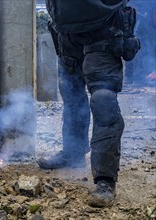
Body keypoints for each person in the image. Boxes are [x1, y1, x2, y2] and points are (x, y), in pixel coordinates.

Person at [38, 0, 140, 208]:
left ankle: (105, 180)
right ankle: (73, 153)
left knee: (103, 101)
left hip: (103, 30)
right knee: (72, 95)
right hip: (66, 33)